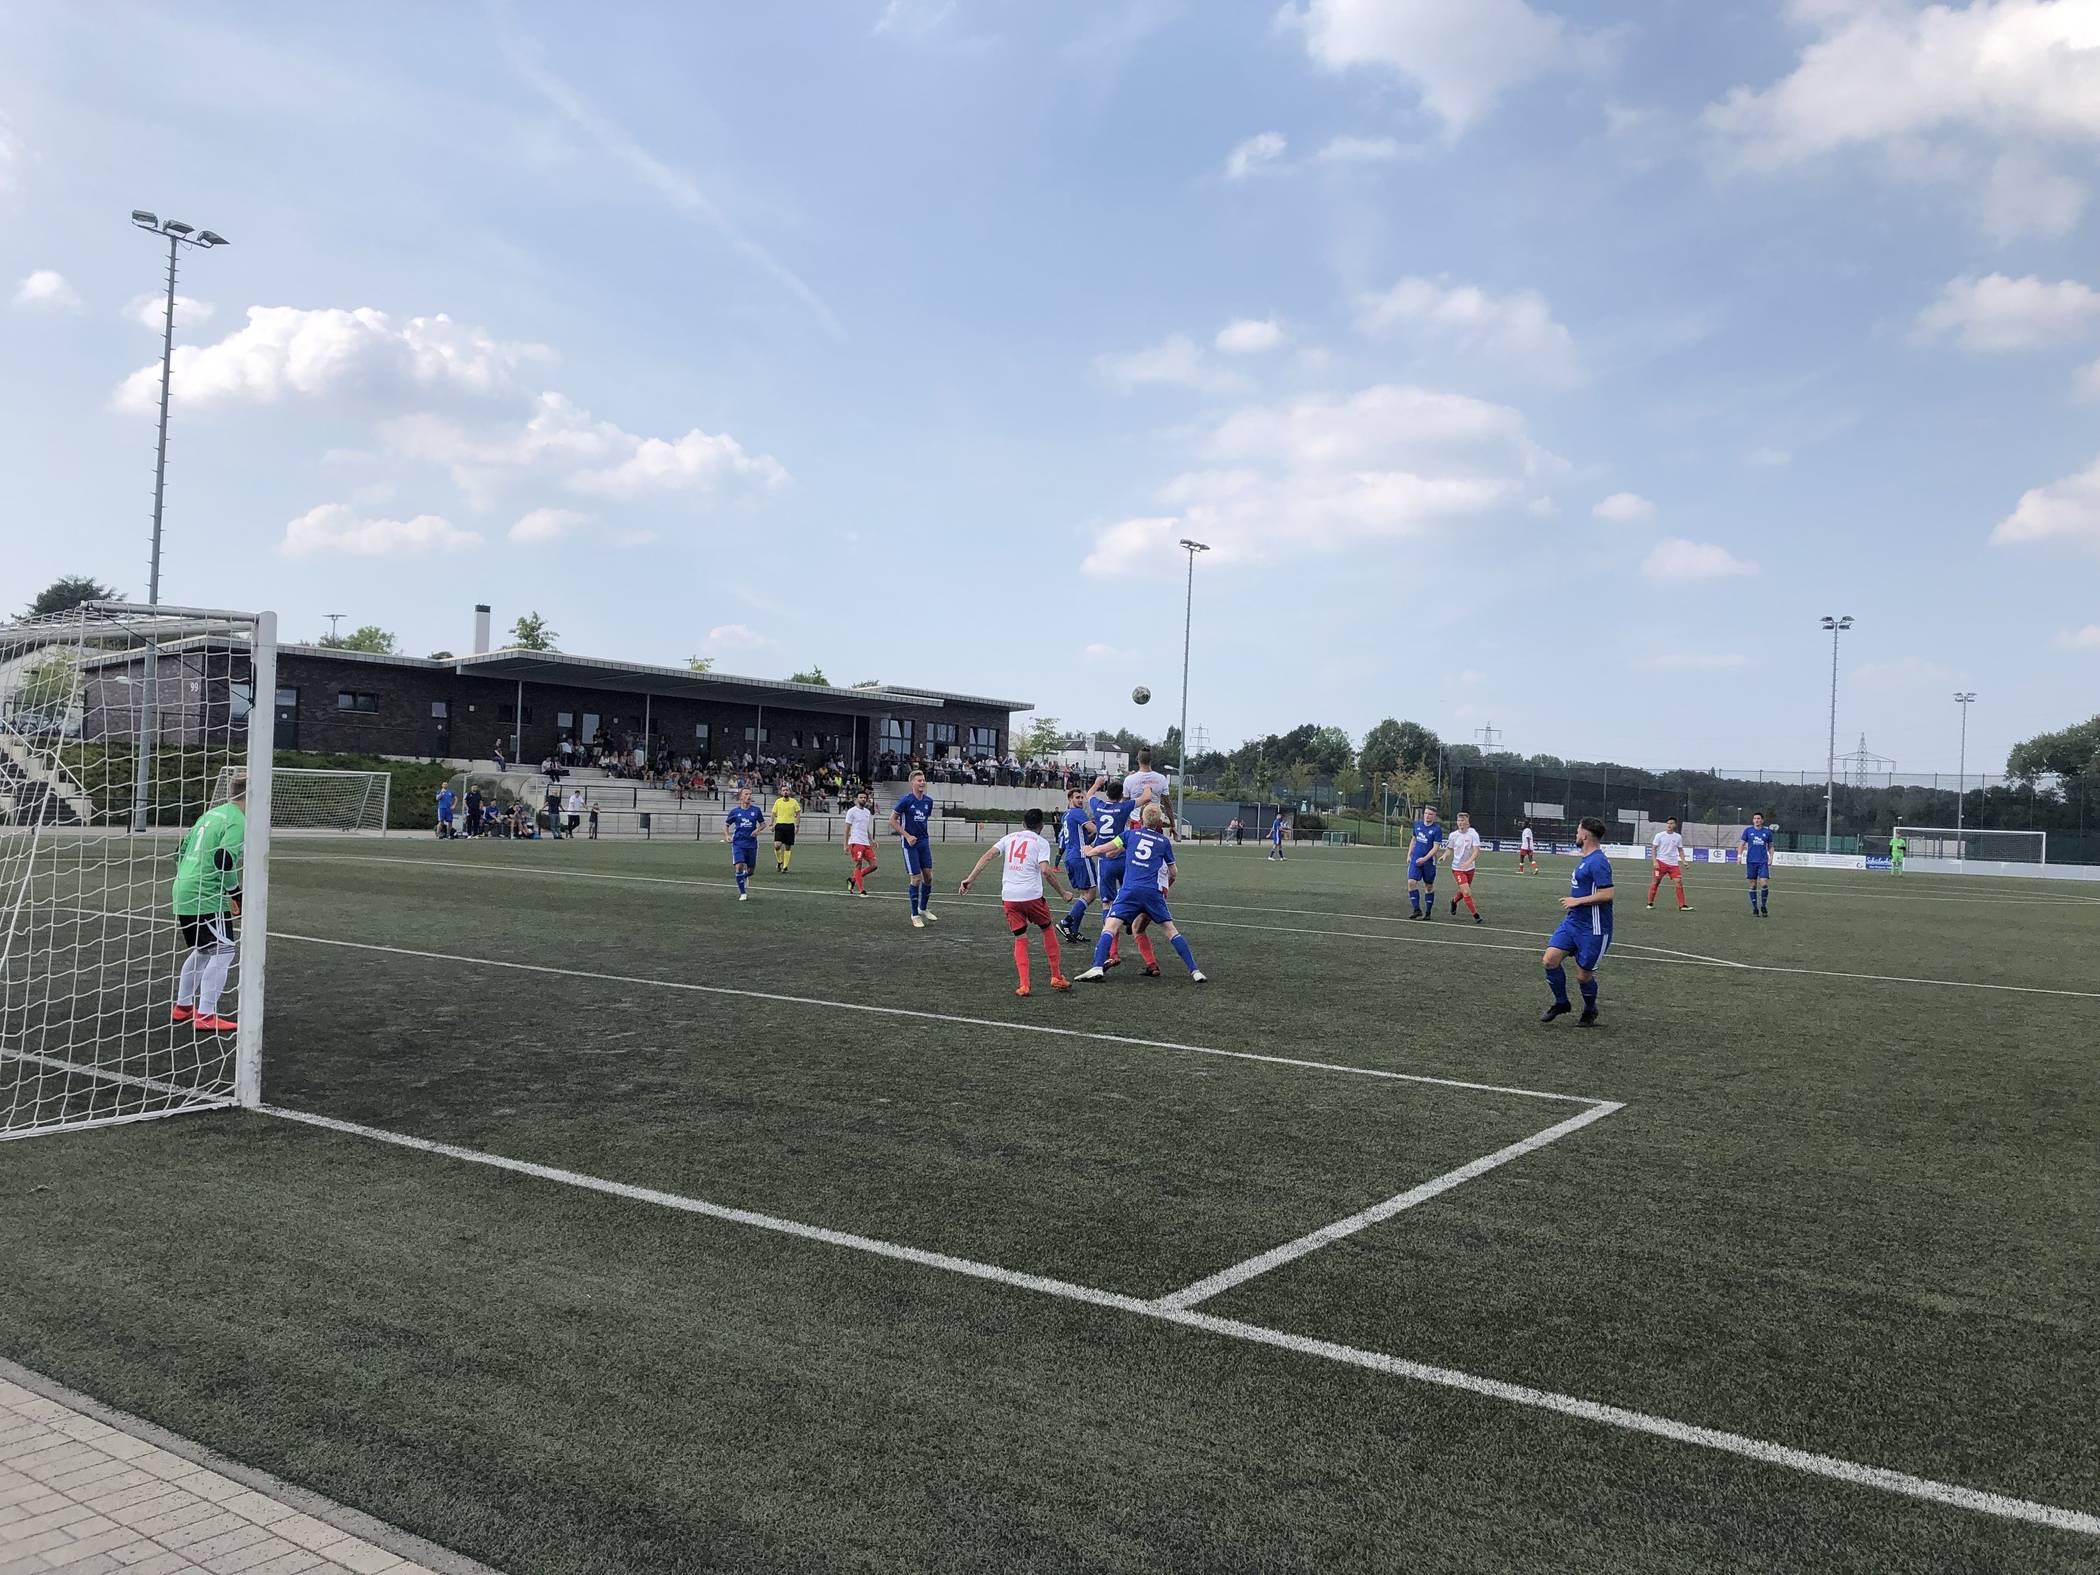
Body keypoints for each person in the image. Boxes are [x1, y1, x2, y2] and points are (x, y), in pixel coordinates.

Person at [1074, 805, 1206, 984]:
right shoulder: (1163, 842)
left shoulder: (1130, 835)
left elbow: (1106, 848)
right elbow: (1174, 872)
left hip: (1130, 890)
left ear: (1141, 819)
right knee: (1170, 930)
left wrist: (1090, 851)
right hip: (1153, 892)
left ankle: (1097, 967)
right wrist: (1164, 889)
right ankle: (1195, 971)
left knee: (1110, 926)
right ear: (1159, 822)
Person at [958, 807, 1073, 996]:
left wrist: (970, 879)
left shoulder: (1009, 838)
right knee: (1047, 929)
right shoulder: (1041, 842)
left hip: (1010, 897)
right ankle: (1056, 976)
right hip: (1032, 896)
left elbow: (988, 856)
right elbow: (1045, 870)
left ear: (1023, 823)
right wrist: (1063, 892)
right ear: (1042, 826)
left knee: (1020, 938)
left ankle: (1024, 985)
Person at [170, 772, 247, 1032]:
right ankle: (205, 1015)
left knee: (205, 950)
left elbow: (179, 852)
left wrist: (189, 878)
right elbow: (223, 859)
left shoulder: (211, 814)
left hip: (184, 887)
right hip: (206, 895)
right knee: (224, 951)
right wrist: (236, 894)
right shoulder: (238, 820)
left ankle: (183, 1007)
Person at [1542, 816, 1613, 1027]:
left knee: (1583, 977)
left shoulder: (1598, 861)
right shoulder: (1586, 859)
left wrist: (1577, 901)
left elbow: (1607, 894)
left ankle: (1590, 1010)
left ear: (1585, 835)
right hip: (1573, 922)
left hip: (1594, 927)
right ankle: (1562, 1003)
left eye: (1578, 830)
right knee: (1550, 960)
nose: (1576, 834)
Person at [892, 770, 938, 927]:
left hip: (924, 842)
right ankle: (914, 914)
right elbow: (892, 820)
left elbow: (923, 820)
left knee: (928, 877)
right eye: (919, 780)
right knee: (916, 878)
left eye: (923, 780)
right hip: (910, 844)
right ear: (912, 783)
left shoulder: (928, 801)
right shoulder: (906, 800)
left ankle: (923, 908)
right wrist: (907, 836)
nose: (922, 783)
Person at [1057, 784, 1098, 943]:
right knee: (1091, 894)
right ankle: (1066, 922)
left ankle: (1074, 930)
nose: (1081, 800)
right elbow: (1093, 829)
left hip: (1070, 856)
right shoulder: (1077, 813)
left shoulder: (1065, 815)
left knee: (1083, 894)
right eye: (1077, 797)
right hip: (1081, 856)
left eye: (1082, 797)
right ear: (1070, 799)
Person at [1439, 810, 1484, 923]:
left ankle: (1454, 901)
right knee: (1467, 892)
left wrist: (1469, 862)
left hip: (1470, 868)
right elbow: (1450, 848)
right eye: (1459, 820)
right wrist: (1444, 856)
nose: (1460, 823)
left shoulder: (1473, 833)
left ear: (1467, 822)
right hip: (1457, 868)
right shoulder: (1453, 835)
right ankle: (1476, 915)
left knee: (1463, 890)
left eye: (1463, 820)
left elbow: (1476, 851)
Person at [723, 787, 764, 901]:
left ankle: (743, 877)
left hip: (751, 844)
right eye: (746, 794)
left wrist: (757, 830)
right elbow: (726, 825)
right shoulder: (735, 812)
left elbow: (763, 824)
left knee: (750, 871)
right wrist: (727, 835)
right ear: (741, 797)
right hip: (738, 843)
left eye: (750, 794)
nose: (749, 796)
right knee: (739, 865)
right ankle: (743, 893)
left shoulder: (756, 810)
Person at [1406, 806, 1446, 919]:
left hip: (1429, 862)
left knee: (1428, 886)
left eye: (1430, 814)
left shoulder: (1437, 829)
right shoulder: (1417, 825)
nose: (1427, 816)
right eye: (1426, 813)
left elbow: (1436, 847)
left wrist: (1425, 858)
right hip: (1415, 859)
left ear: (1434, 816)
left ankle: (1428, 912)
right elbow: (1414, 840)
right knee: (1411, 882)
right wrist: (1409, 854)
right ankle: (1416, 909)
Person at [1648, 817, 1691, 910]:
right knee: (1656, 882)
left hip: (1673, 864)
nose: (1669, 825)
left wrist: (1684, 861)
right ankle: (1650, 903)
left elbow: (1680, 850)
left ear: (1675, 825)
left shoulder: (1678, 837)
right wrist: (1655, 861)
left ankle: (1682, 905)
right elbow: (1654, 849)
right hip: (1660, 863)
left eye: (1671, 823)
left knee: (1678, 882)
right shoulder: (1659, 835)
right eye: (1668, 823)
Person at [1739, 812, 1775, 917]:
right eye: (1755, 818)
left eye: (1758, 818)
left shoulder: (1767, 832)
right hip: (1751, 862)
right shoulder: (1748, 831)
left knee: (1764, 884)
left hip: (1762, 862)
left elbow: (1771, 846)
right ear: (1753, 820)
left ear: (1762, 820)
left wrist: (1771, 857)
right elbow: (1741, 844)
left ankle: (1763, 906)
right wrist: (1739, 856)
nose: (1757, 820)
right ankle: (1755, 908)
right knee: (1752, 885)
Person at [1125, 749, 1171, 829]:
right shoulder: (1161, 779)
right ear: (1151, 760)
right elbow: (1167, 804)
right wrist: (1173, 825)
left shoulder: (1129, 780)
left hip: (1136, 822)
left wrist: (1125, 821)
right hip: (1155, 823)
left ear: (1137, 759)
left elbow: (1125, 804)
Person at [844, 790, 878, 895]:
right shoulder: (851, 811)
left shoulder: (867, 812)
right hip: (855, 841)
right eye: (861, 797)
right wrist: (845, 844)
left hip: (865, 842)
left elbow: (865, 828)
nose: (863, 799)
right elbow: (847, 829)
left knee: (874, 865)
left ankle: (853, 879)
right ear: (856, 799)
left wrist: (872, 840)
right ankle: (861, 890)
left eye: (864, 798)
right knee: (858, 864)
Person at [772, 785, 801, 873]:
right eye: (784, 790)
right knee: (777, 845)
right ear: (781, 792)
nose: (785, 792)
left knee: (787, 847)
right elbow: (773, 813)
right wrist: (771, 824)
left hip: (790, 826)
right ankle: (779, 861)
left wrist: (797, 825)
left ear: (789, 792)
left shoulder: (794, 802)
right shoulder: (778, 801)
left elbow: (798, 813)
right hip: (779, 825)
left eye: (787, 790)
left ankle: (785, 867)